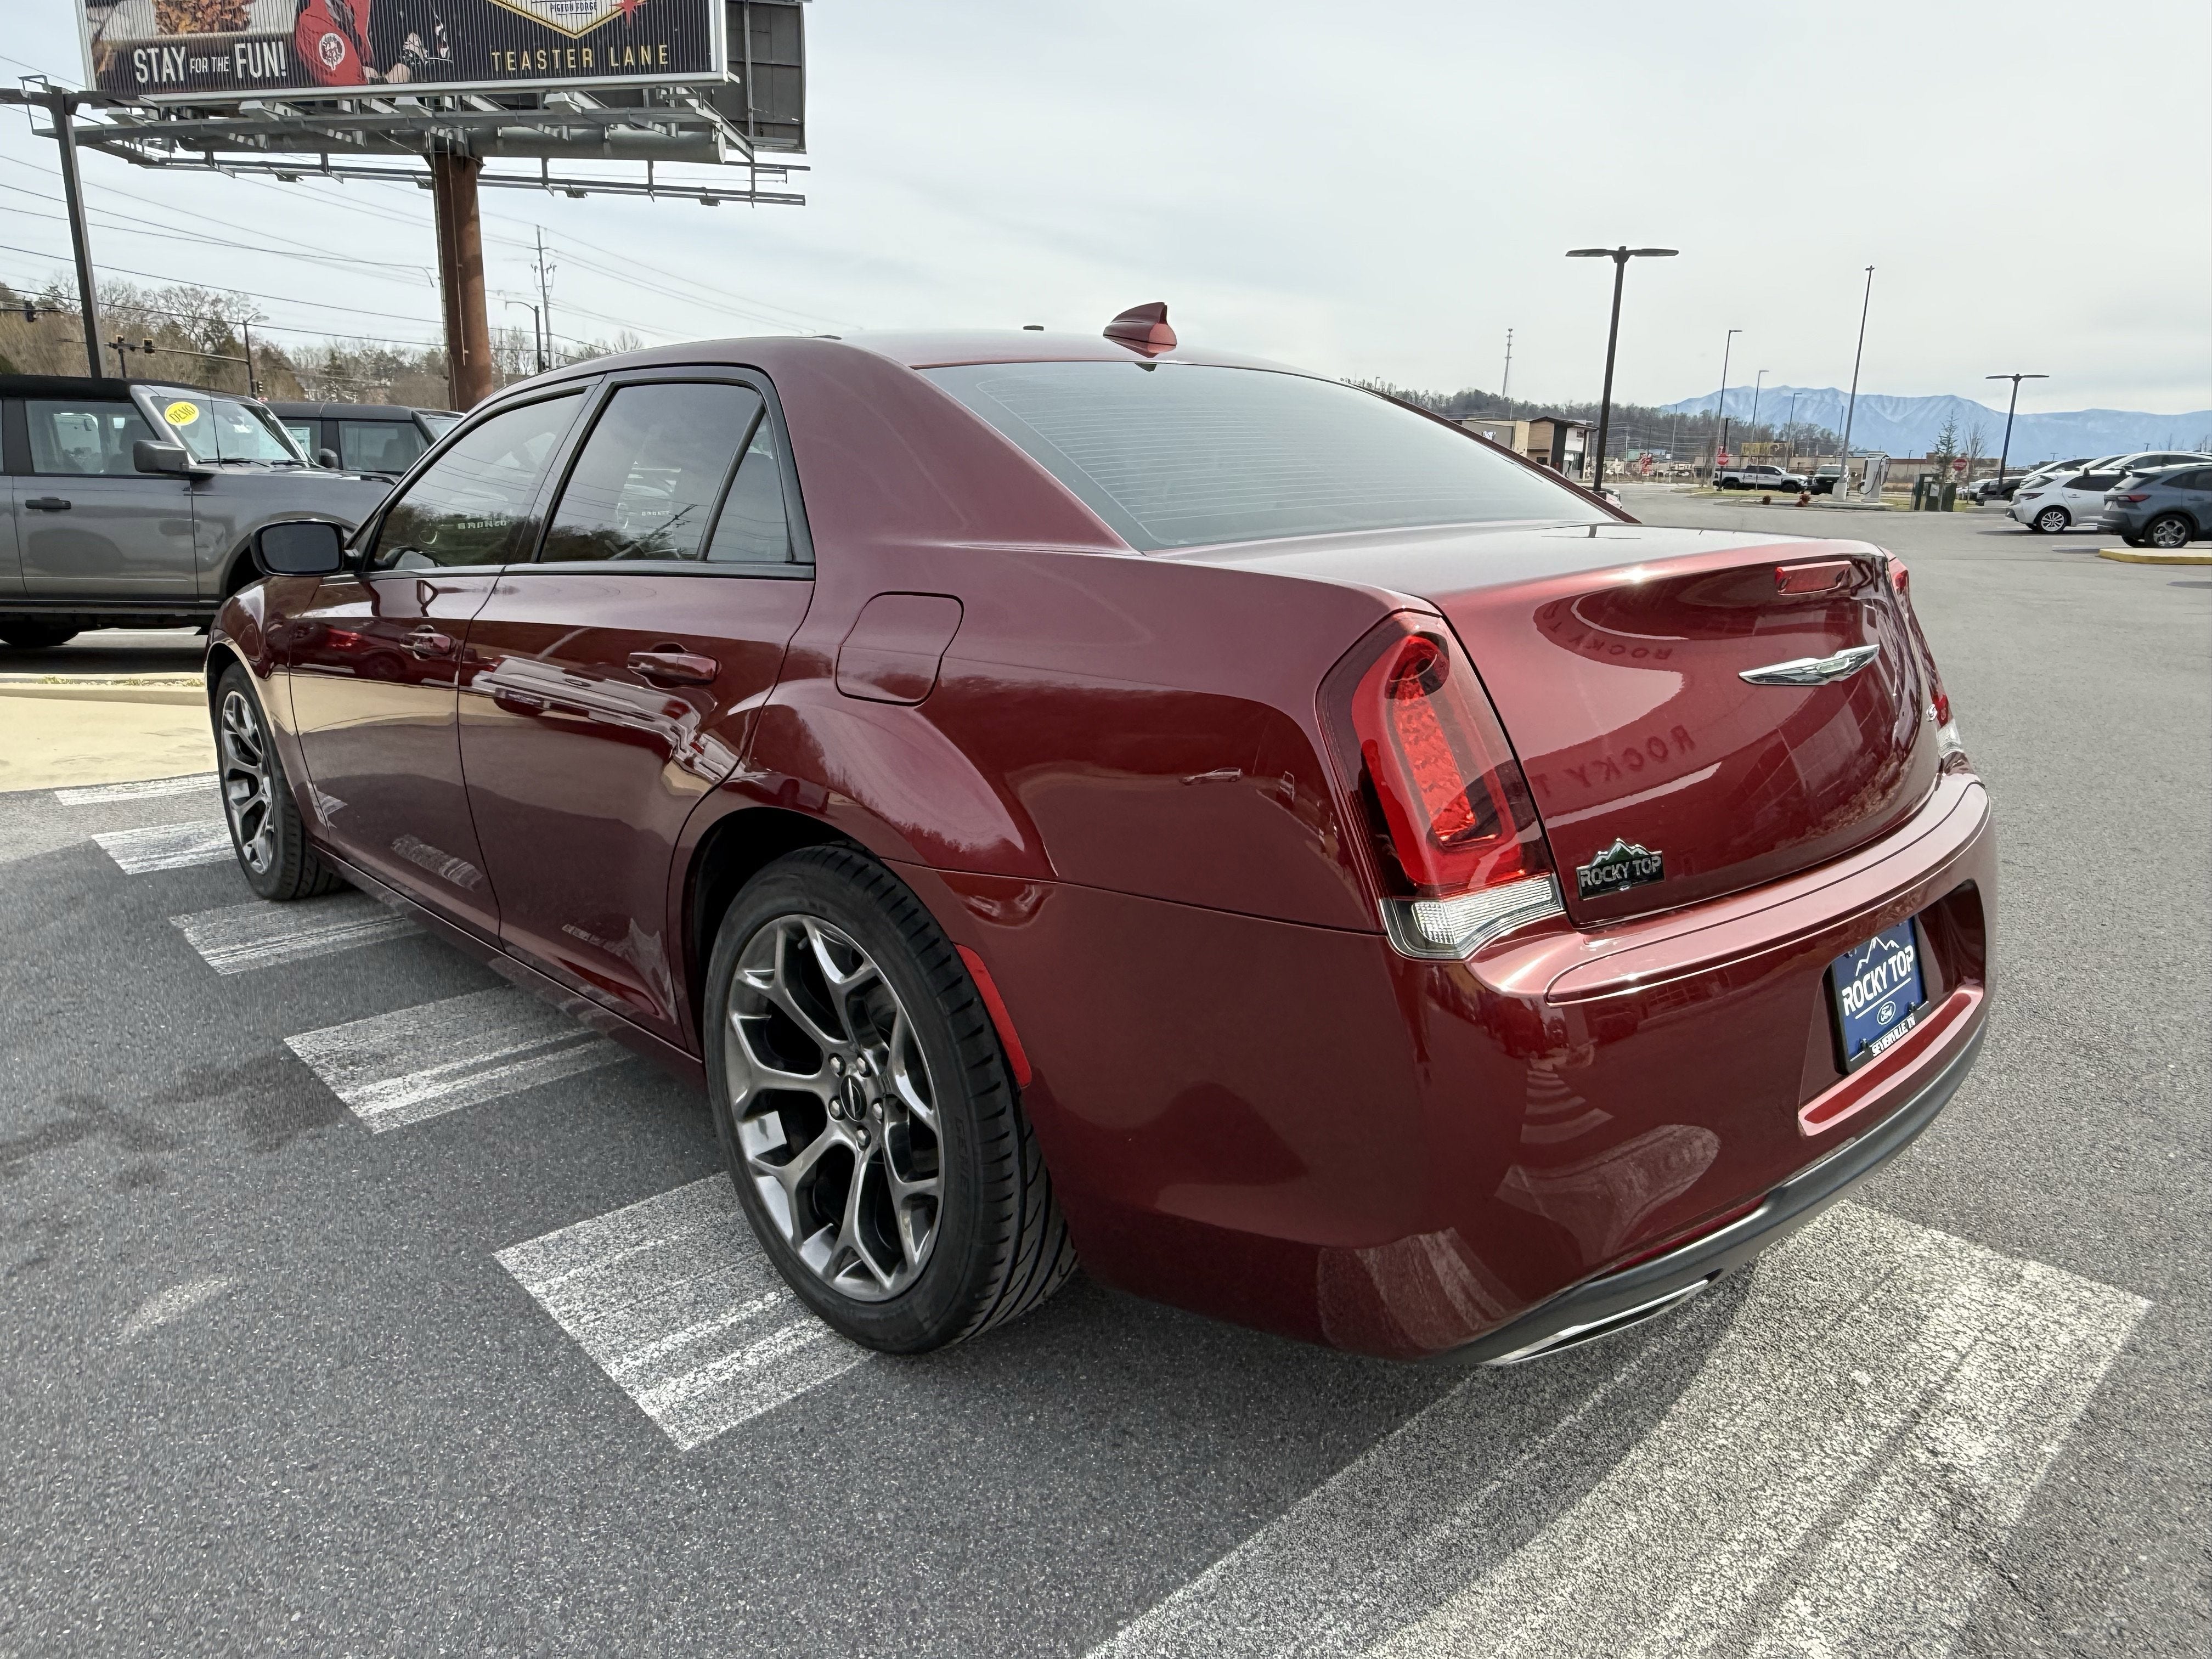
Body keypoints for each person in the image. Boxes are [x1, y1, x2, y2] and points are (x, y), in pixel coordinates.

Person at [292, 0, 454, 87]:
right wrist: (407, 64)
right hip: (358, 127)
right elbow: (356, 89)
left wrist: (406, 64)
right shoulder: (313, 18)